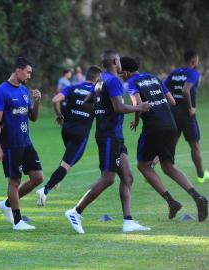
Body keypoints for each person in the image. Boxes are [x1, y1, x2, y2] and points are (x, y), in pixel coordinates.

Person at [65, 50, 151, 234]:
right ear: (114, 61)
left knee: (127, 177)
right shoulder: (112, 81)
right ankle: (75, 211)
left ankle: (128, 221)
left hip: (115, 136)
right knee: (108, 178)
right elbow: (119, 107)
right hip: (109, 136)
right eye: (119, 60)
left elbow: (87, 102)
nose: (121, 64)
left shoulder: (101, 79)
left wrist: (100, 112)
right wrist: (139, 107)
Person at [121, 56, 208, 222]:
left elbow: (139, 104)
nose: (121, 77)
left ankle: (171, 201)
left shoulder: (130, 83)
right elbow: (173, 101)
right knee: (168, 166)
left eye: (121, 74)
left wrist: (137, 118)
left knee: (143, 165)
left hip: (153, 127)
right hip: (170, 124)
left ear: (125, 72)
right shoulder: (154, 77)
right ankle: (198, 197)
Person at [36, 66, 101, 206]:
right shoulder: (96, 91)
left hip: (66, 130)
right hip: (80, 134)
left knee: (69, 159)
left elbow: (55, 100)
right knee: (67, 164)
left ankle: (56, 180)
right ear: (97, 79)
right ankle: (45, 190)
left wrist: (59, 115)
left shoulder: (73, 87)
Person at [0, 57, 43, 230]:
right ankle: (17, 221)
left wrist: (37, 102)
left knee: (38, 177)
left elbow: (33, 118)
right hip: (11, 144)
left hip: (25, 142)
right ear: (18, 70)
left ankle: (6, 204)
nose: (29, 76)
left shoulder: (24, 90)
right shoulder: (2, 91)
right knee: (14, 181)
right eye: (28, 72)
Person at [164, 50, 209, 183]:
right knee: (194, 145)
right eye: (197, 60)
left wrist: (170, 101)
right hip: (187, 115)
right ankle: (201, 176)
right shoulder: (193, 73)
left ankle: (151, 166)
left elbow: (163, 87)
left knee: (171, 143)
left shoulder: (174, 72)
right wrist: (190, 108)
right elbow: (185, 90)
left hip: (173, 112)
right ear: (194, 61)